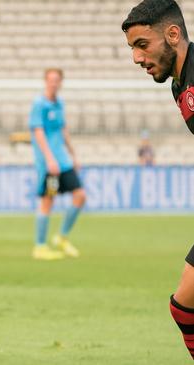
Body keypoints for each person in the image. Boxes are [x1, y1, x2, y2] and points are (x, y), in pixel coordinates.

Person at [122, 0, 194, 358]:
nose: (137, 58)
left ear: (173, 34)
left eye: (142, 45)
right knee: (184, 307)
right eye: (133, 48)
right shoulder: (178, 84)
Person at [29, 68, 86, 260]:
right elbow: (38, 133)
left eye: (57, 80)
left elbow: (63, 130)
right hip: (49, 164)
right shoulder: (39, 104)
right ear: (45, 81)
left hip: (63, 161)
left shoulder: (59, 103)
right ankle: (40, 246)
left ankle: (61, 237)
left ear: (60, 83)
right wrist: (49, 159)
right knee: (48, 201)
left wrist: (73, 155)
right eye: (50, 80)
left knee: (80, 196)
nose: (53, 83)